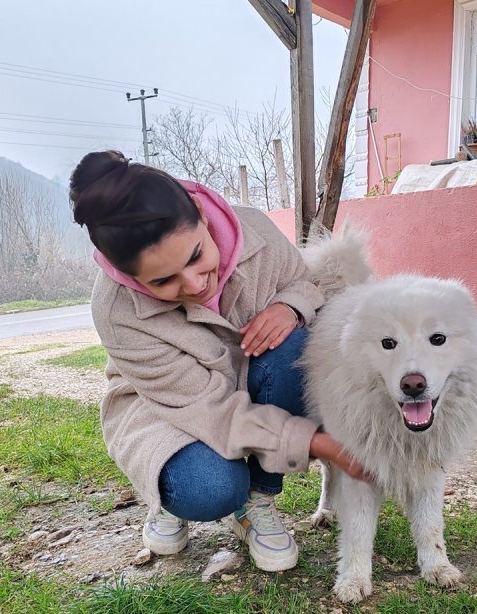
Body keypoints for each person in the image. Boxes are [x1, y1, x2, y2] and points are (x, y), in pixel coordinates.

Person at [69, 151, 366, 572]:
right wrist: (316, 442)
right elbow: (212, 411)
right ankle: (169, 494)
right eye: (163, 280)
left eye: (195, 255)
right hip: (169, 408)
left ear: (202, 214)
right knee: (210, 489)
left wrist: (289, 307)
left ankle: (258, 501)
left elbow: (303, 282)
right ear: (129, 277)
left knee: (294, 347)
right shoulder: (116, 310)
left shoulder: (254, 228)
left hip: (251, 374)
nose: (194, 284)